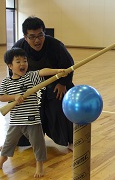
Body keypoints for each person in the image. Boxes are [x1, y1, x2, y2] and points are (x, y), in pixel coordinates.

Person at [0, 47, 66, 178]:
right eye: (18, 61)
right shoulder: (6, 82)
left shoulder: (30, 77)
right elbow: (1, 97)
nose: (23, 64)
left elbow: (42, 72)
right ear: (10, 66)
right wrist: (15, 97)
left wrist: (57, 71)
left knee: (38, 144)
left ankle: (40, 165)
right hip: (16, 121)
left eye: (25, 60)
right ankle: (1, 161)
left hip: (32, 120)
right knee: (8, 143)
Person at [13, 16, 74, 150]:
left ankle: (70, 141)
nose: (37, 40)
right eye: (32, 36)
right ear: (25, 37)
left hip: (56, 84)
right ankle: (15, 140)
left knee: (60, 104)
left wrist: (63, 83)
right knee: (21, 107)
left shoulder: (56, 46)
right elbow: (14, 72)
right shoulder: (18, 49)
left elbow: (69, 65)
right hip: (31, 85)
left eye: (40, 35)